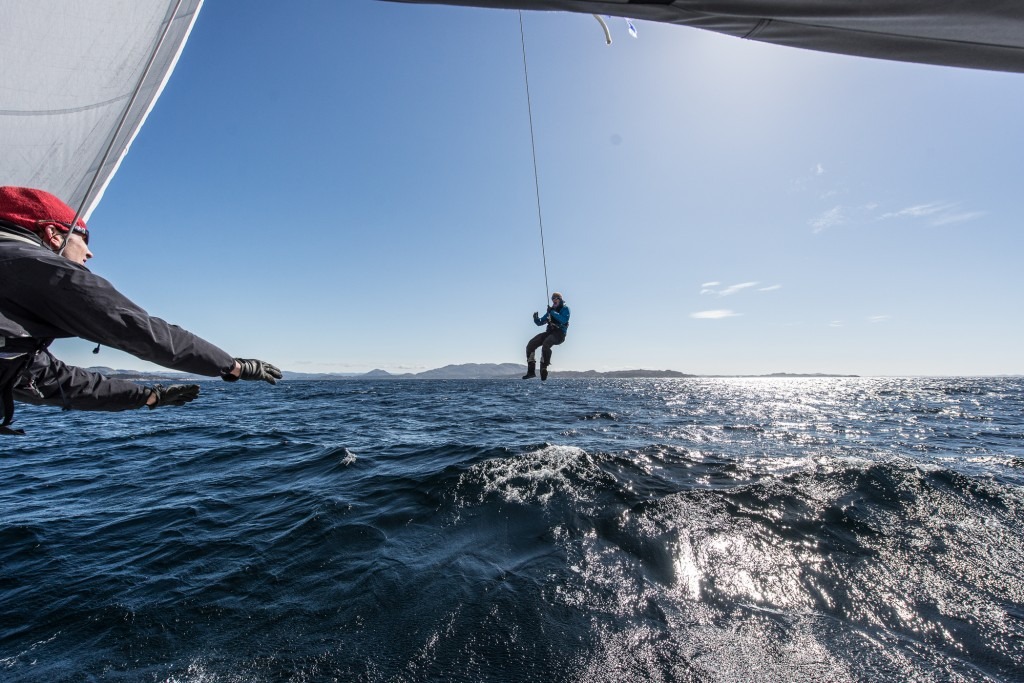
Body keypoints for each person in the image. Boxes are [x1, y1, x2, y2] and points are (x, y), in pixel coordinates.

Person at [0, 186, 281, 435]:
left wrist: (147, 396)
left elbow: (47, 381)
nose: (89, 253)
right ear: (54, 234)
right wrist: (233, 366)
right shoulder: (39, 268)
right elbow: (138, 329)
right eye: (83, 238)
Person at [523, 292, 570, 381]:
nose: (553, 300)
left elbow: (564, 320)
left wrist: (552, 312)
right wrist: (536, 319)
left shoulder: (565, 309)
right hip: (549, 333)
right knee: (531, 344)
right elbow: (540, 322)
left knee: (546, 344)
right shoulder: (550, 310)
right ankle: (531, 372)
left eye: (555, 298)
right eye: (552, 299)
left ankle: (543, 369)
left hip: (559, 334)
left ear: (560, 299)